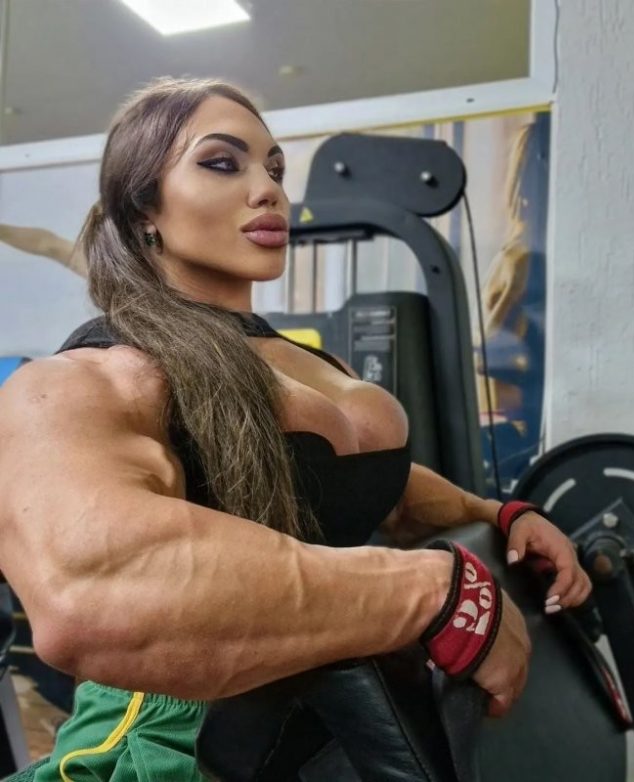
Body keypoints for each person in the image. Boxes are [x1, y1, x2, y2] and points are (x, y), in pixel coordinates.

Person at [0, 77, 591, 781]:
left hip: (338, 727)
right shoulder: (90, 378)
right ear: (144, 206)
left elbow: (366, 486)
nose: (268, 190)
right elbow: (89, 594)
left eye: (274, 168)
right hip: (176, 740)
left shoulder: (308, 362)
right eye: (223, 163)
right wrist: (429, 590)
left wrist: (498, 516)